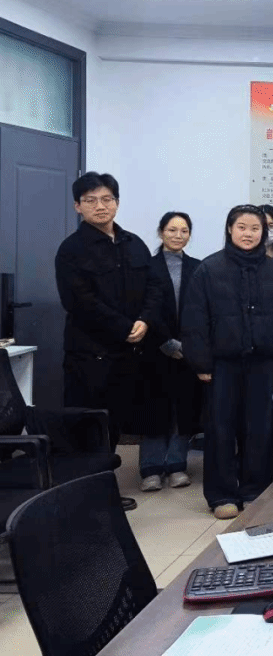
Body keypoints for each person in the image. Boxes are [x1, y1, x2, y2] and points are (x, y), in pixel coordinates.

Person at [54, 172, 162, 512]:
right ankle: (84, 497)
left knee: (113, 425)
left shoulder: (133, 243)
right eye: (91, 201)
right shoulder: (71, 250)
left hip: (127, 355)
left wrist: (145, 320)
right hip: (89, 356)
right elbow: (79, 302)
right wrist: (124, 326)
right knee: (88, 426)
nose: (100, 206)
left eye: (106, 199)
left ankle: (104, 490)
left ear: (116, 202)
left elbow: (154, 287)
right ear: (77, 206)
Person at [182, 205, 273, 519]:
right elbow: (194, 321)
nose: (248, 234)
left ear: (264, 232)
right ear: (230, 229)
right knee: (221, 429)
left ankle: (256, 490)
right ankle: (222, 495)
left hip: (263, 363)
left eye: (255, 228)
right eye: (242, 227)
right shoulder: (209, 269)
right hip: (221, 365)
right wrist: (201, 364)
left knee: (259, 428)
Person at [136, 211, 202, 493]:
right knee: (154, 408)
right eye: (172, 230)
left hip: (188, 351)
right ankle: (150, 468)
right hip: (154, 349)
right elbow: (143, 308)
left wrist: (186, 344)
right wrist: (165, 341)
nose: (178, 235)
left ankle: (177, 465)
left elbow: (201, 310)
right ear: (161, 232)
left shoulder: (198, 267)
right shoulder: (146, 267)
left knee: (183, 409)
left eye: (184, 231)